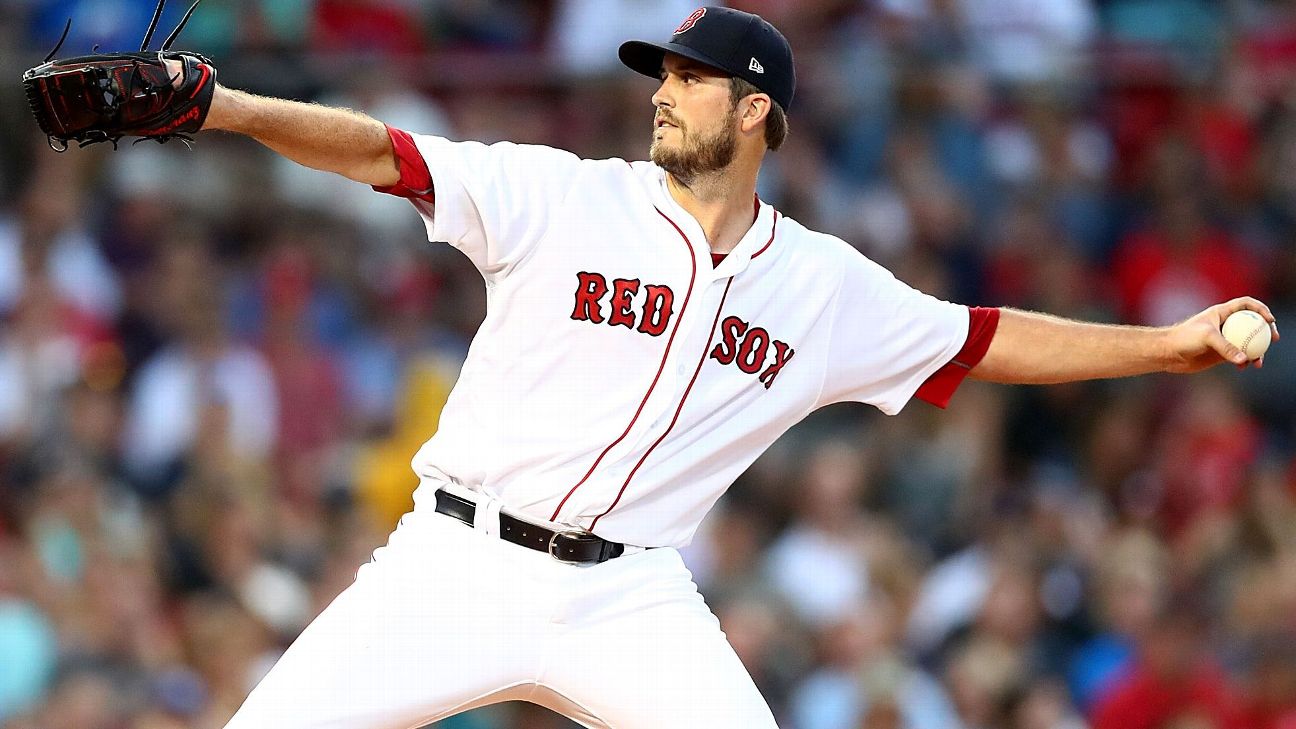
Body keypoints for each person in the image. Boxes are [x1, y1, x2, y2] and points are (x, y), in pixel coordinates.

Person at [184, 7, 1276, 728]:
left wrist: (1168, 344)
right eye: (661, 74)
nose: (662, 93)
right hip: (457, 561)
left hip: (628, 593)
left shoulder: (821, 284)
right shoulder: (565, 194)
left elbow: (981, 339)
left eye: (690, 79)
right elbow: (387, 154)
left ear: (755, 111)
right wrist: (221, 108)